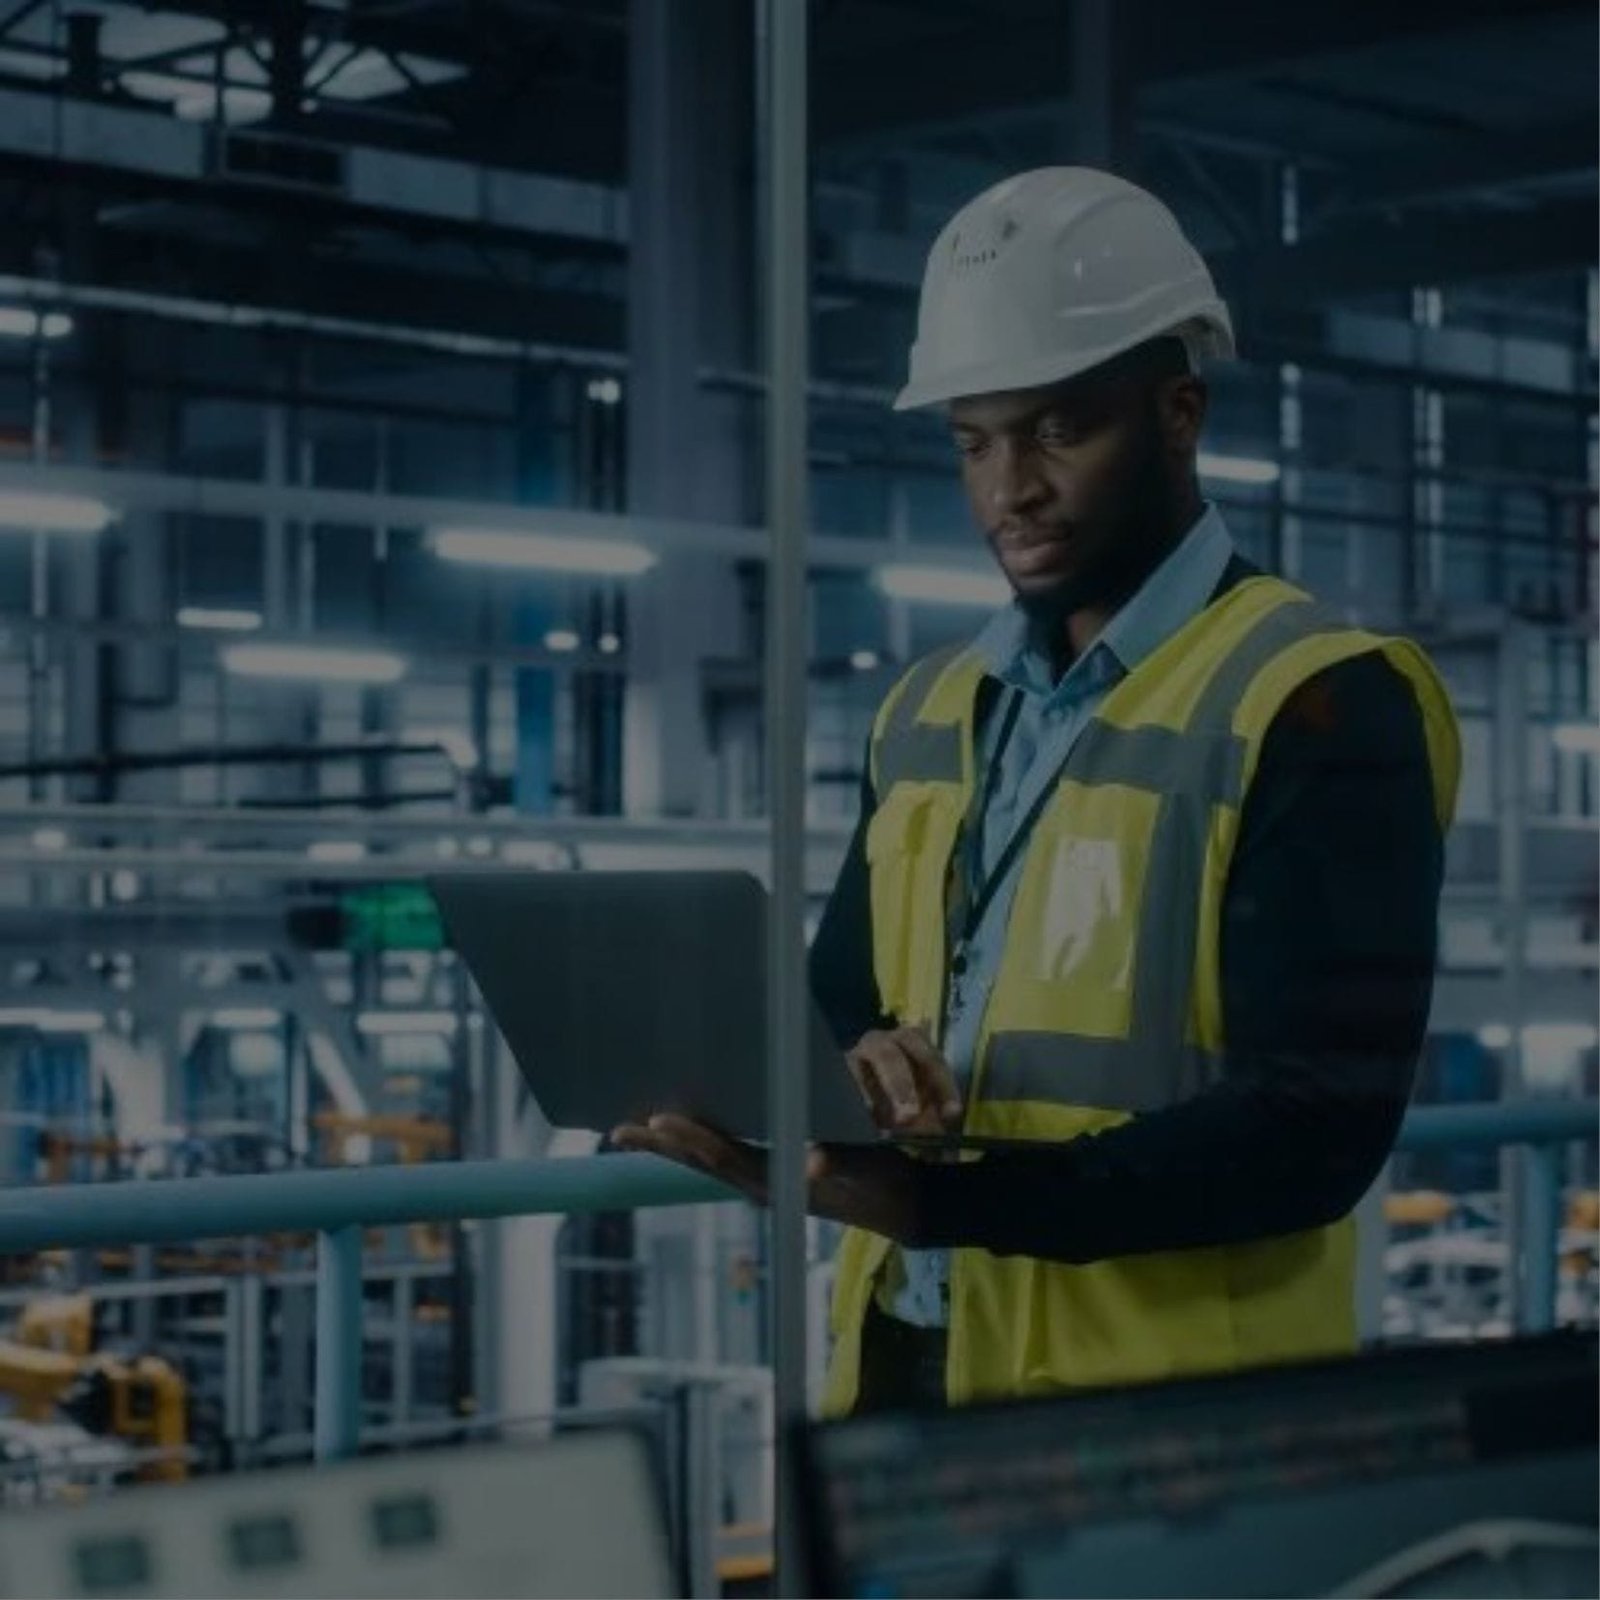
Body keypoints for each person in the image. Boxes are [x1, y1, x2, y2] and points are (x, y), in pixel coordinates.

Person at [614, 167, 1460, 1416]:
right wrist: (853, 1065)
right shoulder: (928, 711)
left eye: (1058, 430)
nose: (1009, 488)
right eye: (974, 441)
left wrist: (932, 1200)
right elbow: (840, 994)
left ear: (1177, 411)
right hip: (911, 1366)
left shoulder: (1316, 701)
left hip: (1169, 1423)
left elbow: (1309, 1134)